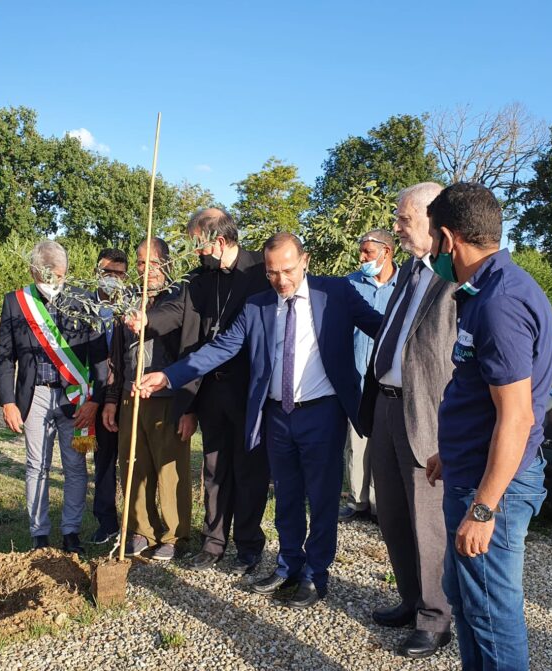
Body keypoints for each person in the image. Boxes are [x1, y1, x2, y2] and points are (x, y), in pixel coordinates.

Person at [138, 233, 382, 608]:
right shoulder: (257, 306)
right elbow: (219, 348)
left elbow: (381, 328)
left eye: (287, 270)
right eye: (272, 273)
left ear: (306, 260)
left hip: (322, 412)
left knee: (321, 497)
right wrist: (170, 375)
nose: (281, 280)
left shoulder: (337, 293)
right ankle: (287, 565)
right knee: (285, 496)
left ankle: (316, 574)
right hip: (277, 416)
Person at [412, 183, 552, 671]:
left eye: (433, 243)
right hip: (471, 471)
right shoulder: (483, 290)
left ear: (447, 237)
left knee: (493, 613)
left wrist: (485, 505)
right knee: (469, 604)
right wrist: (453, 451)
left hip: (494, 487)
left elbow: (517, 416)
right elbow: (479, 394)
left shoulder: (499, 301)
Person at [129, 208, 270, 575]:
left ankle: (250, 545)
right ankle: (213, 542)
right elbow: (174, 309)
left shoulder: (260, 272)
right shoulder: (200, 279)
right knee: (214, 469)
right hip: (210, 390)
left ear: (219, 242)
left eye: (198, 246)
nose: (195, 253)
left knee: (249, 470)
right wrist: (148, 320)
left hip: (249, 389)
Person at [358, 182, 458, 659]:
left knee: (428, 523)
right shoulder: (409, 273)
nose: (395, 228)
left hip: (427, 416)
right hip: (386, 407)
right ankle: (410, 600)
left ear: (435, 221)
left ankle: (436, 618)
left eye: (403, 220)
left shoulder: (454, 277)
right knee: (393, 514)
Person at [0, 240, 107, 553]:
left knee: (74, 467)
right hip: (35, 396)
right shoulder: (17, 302)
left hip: (76, 399)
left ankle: (71, 531)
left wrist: (96, 399)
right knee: (36, 466)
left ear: (66, 272)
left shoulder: (84, 300)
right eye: (46, 276)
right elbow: (5, 357)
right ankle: (39, 535)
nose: (52, 283)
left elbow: (99, 355)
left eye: (58, 276)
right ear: (33, 271)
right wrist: (8, 401)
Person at [103, 237, 192, 561]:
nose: (145, 270)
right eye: (140, 263)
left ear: (165, 264)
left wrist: (189, 407)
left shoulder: (179, 297)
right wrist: (112, 398)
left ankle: (173, 534)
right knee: (132, 466)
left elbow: (189, 353)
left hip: (167, 397)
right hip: (130, 397)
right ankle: (141, 529)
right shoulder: (126, 299)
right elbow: (115, 355)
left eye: (151, 263)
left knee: (169, 471)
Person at [340, 230, 398, 522]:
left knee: (384, 446)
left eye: (367, 252)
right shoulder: (350, 285)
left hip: (388, 384)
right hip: (356, 380)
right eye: (361, 252)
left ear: (386, 252)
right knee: (356, 443)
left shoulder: (404, 288)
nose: (362, 258)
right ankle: (357, 502)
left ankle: (380, 506)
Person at [89, 248, 128, 545]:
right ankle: (106, 521)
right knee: (103, 462)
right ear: (96, 274)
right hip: (95, 396)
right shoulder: (82, 308)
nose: (113, 280)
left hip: (127, 395)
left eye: (119, 274)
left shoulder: (132, 309)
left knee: (130, 461)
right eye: (108, 274)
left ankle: (134, 524)